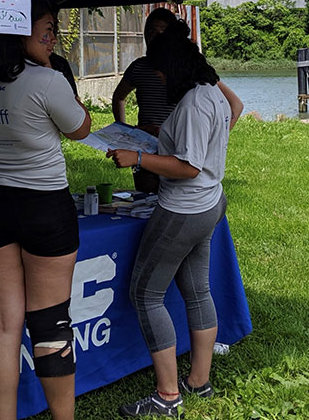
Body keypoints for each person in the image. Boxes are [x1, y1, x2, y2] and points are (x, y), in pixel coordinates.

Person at [0, 0, 91, 420]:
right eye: (47, 28)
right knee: (49, 324)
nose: (53, 38)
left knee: (4, 326)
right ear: (15, 30)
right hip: (44, 206)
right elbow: (81, 129)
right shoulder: (47, 82)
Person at [108, 22, 232, 418]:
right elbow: (213, 130)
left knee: (145, 295)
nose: (158, 82)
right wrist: (166, 135)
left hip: (185, 208)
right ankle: (199, 381)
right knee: (197, 291)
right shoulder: (209, 92)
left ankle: (167, 396)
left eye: (160, 74)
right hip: (209, 203)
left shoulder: (196, 102)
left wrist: (139, 158)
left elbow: (189, 166)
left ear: (173, 68)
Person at [112, 8, 242, 192]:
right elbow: (119, 97)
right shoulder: (139, 67)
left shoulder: (193, 73)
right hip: (147, 148)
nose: (156, 37)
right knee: (145, 201)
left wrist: (210, 141)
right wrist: (125, 132)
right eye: (151, 32)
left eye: (162, 32)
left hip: (180, 155)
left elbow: (235, 105)